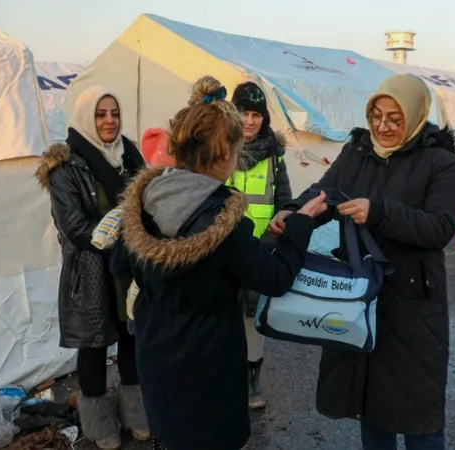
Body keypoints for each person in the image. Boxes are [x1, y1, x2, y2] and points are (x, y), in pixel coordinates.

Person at [116, 82, 327, 450]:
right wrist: (301, 225)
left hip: (156, 355)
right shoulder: (222, 223)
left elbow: (120, 266)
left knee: (168, 439)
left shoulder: (144, 201)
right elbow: (274, 278)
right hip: (208, 367)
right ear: (226, 152)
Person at [269, 74, 455, 450]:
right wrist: (294, 212)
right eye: (376, 115)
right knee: (369, 403)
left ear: (416, 115)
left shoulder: (441, 162)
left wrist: (380, 213)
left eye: (394, 117)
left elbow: (439, 227)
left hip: (412, 303)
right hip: (358, 293)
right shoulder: (357, 151)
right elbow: (323, 192)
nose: (383, 126)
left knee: (418, 413)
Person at [35, 86, 148, 449]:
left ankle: (137, 413)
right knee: (94, 346)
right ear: (87, 117)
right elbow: (75, 227)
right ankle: (100, 426)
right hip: (91, 271)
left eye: (114, 113)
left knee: (132, 337)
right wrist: (123, 230)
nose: (109, 121)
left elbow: (146, 205)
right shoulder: (65, 166)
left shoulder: (130, 156)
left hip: (128, 266)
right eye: (101, 114)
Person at [228, 80, 293, 410]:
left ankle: (252, 382)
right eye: (244, 113)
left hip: (259, 252)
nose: (250, 121)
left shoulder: (274, 157)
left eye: (256, 114)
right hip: (223, 252)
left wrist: (281, 220)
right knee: (222, 318)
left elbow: (285, 201)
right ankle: (226, 379)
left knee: (253, 320)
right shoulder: (219, 150)